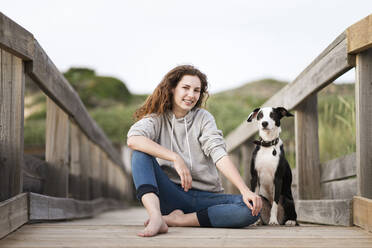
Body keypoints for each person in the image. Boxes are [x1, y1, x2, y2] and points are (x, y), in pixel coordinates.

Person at [127, 65, 262, 237]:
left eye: (196, 90)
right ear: (172, 88)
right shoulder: (157, 118)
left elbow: (218, 153)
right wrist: (175, 157)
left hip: (206, 198)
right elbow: (134, 139)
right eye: (186, 88)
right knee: (140, 153)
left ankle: (175, 220)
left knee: (251, 209)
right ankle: (156, 217)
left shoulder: (203, 118)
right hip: (172, 196)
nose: (191, 95)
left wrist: (244, 190)